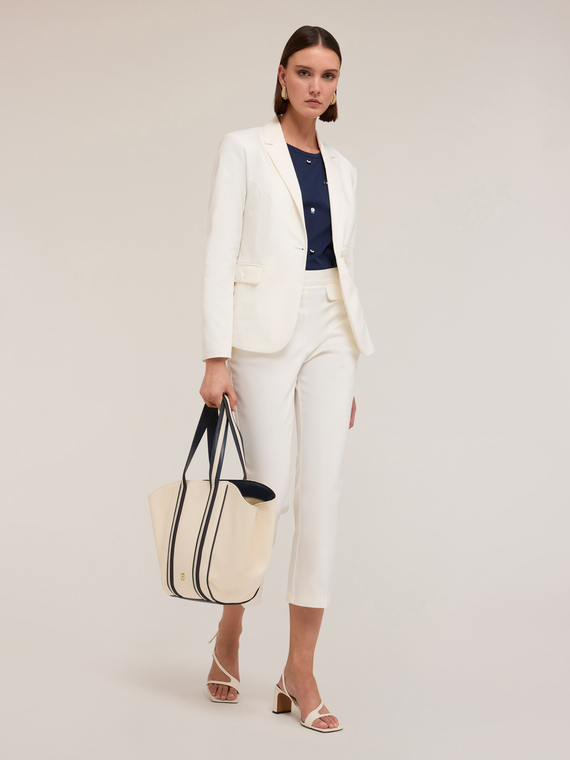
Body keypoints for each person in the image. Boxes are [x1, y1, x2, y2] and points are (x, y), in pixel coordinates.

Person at [199, 24, 374, 733]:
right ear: (281, 76)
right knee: (265, 495)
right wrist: (215, 356)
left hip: (332, 328)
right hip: (262, 333)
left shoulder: (345, 169)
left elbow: (341, 266)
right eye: (304, 72)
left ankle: (300, 669)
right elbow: (220, 252)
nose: (315, 86)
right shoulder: (244, 149)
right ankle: (231, 627)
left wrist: (347, 363)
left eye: (328, 75)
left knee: (322, 496)